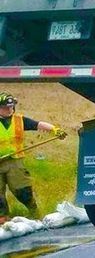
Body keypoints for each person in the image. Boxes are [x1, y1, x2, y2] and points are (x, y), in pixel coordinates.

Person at [0, 92, 66, 223]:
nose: (9, 110)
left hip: (15, 161)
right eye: (5, 107)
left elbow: (38, 124)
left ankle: (34, 213)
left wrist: (55, 130)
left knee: (22, 190)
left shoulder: (19, 120)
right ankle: (2, 217)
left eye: (11, 107)